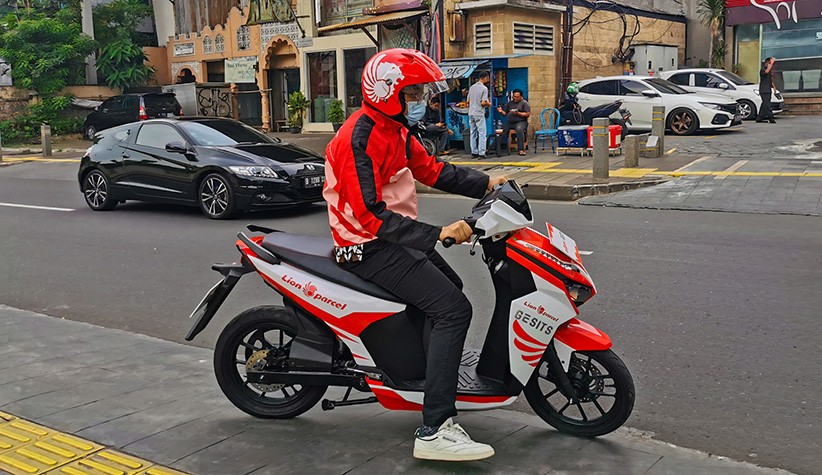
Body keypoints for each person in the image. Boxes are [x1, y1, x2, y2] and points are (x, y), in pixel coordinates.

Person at [323, 48, 507, 462]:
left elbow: (433, 170)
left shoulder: (395, 130)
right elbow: (369, 214)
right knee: (453, 309)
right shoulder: (360, 136)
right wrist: (437, 232)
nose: (421, 98)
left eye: (422, 90)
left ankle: (425, 375)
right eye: (414, 91)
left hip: (392, 239)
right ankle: (435, 428)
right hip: (365, 246)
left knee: (451, 289)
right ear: (386, 90)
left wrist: (487, 183)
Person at [496, 89, 531, 156]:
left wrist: (517, 113)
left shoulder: (524, 103)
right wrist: (501, 111)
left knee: (519, 130)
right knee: (504, 131)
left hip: (521, 121)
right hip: (510, 122)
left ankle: (521, 149)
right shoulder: (510, 103)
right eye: (514, 97)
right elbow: (505, 113)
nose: (515, 98)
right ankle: (500, 148)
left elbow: (527, 114)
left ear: (521, 96)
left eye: (517, 97)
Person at [467, 71, 491, 158]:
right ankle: (481, 152)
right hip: (479, 113)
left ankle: (474, 152)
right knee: (482, 133)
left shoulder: (471, 87)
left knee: (473, 132)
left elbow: (468, 101)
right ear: (485, 78)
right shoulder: (484, 89)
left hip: (471, 112)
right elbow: (483, 103)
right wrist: (489, 104)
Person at [756, 57, 777, 124]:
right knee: (767, 104)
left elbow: (770, 80)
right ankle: (771, 118)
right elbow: (766, 71)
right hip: (764, 90)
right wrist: (772, 62)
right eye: (769, 63)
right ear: (766, 63)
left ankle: (759, 118)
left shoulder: (769, 72)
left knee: (764, 104)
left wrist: (774, 87)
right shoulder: (763, 70)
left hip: (768, 90)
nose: (770, 65)